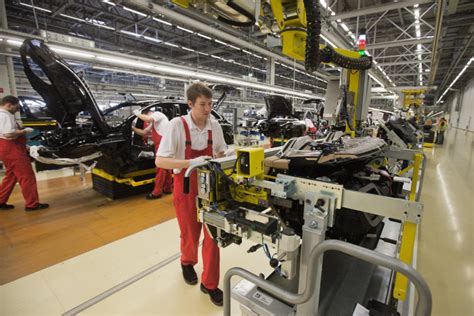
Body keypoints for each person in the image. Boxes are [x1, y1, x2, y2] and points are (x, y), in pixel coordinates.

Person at [156, 83, 226, 306]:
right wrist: (190, 162)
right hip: (185, 186)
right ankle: (187, 261)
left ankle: (210, 283)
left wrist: (228, 156)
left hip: (210, 186)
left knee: (214, 236)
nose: (208, 109)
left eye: (210, 104)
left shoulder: (214, 126)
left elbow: (222, 151)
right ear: (190, 104)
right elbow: (160, 160)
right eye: (203, 104)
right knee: (190, 232)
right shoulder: (177, 125)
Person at [0, 95, 49, 211]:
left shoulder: (4, 115)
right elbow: (8, 134)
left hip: (7, 149)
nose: (17, 110)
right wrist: (24, 131)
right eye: (16, 108)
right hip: (12, 150)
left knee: (11, 176)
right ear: (8, 105)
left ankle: (1, 200)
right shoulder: (4, 115)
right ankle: (32, 204)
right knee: (27, 177)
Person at [132, 108, 172, 199]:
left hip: (164, 145)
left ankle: (157, 192)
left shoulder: (157, 114)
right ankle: (168, 188)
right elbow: (144, 132)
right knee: (166, 167)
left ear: (149, 113)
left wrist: (137, 113)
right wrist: (132, 128)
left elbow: (147, 119)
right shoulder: (154, 122)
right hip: (162, 145)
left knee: (160, 167)